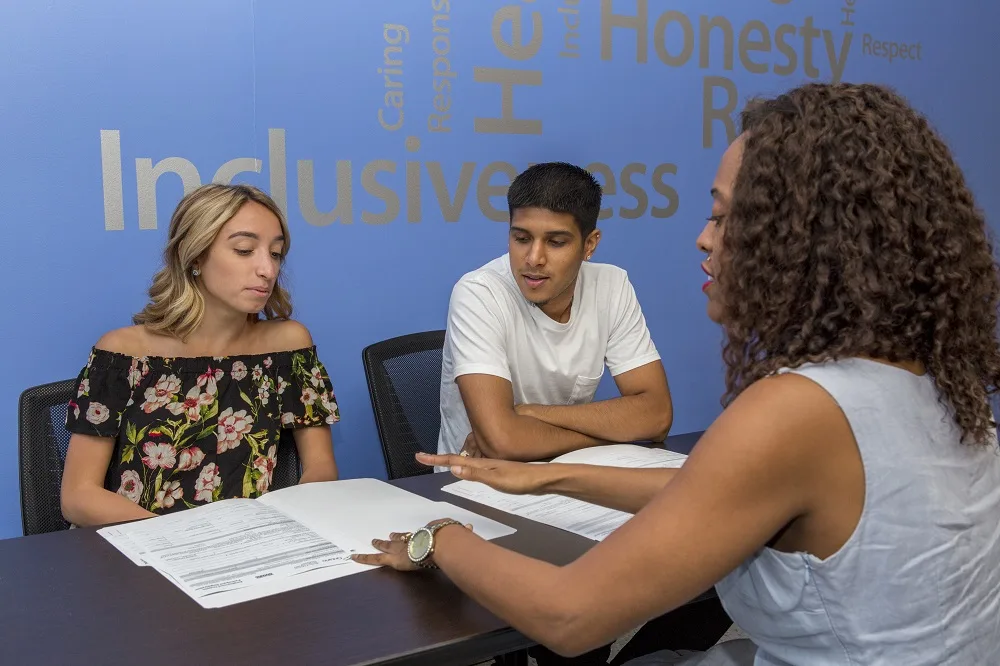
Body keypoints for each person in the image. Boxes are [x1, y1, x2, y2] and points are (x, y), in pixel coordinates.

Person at [354, 82, 1000, 665]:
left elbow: (568, 613)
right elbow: (708, 489)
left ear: (800, 237)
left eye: (722, 215)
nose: (702, 238)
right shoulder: (939, 385)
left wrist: (439, 538)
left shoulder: (797, 409)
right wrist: (548, 475)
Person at [61, 183, 341, 527]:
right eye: (244, 250)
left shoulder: (289, 345)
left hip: (249, 546)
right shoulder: (123, 353)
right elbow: (78, 497)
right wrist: (185, 541)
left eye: (276, 253)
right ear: (194, 256)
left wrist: (282, 527)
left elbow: (321, 468)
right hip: (139, 547)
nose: (267, 269)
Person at [438, 161, 674, 463]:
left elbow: (656, 415)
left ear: (590, 244)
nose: (534, 258)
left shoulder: (612, 285)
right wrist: (607, 433)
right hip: (479, 484)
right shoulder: (478, 293)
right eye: (521, 239)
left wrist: (530, 414)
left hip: (569, 477)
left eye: (556, 242)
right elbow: (502, 442)